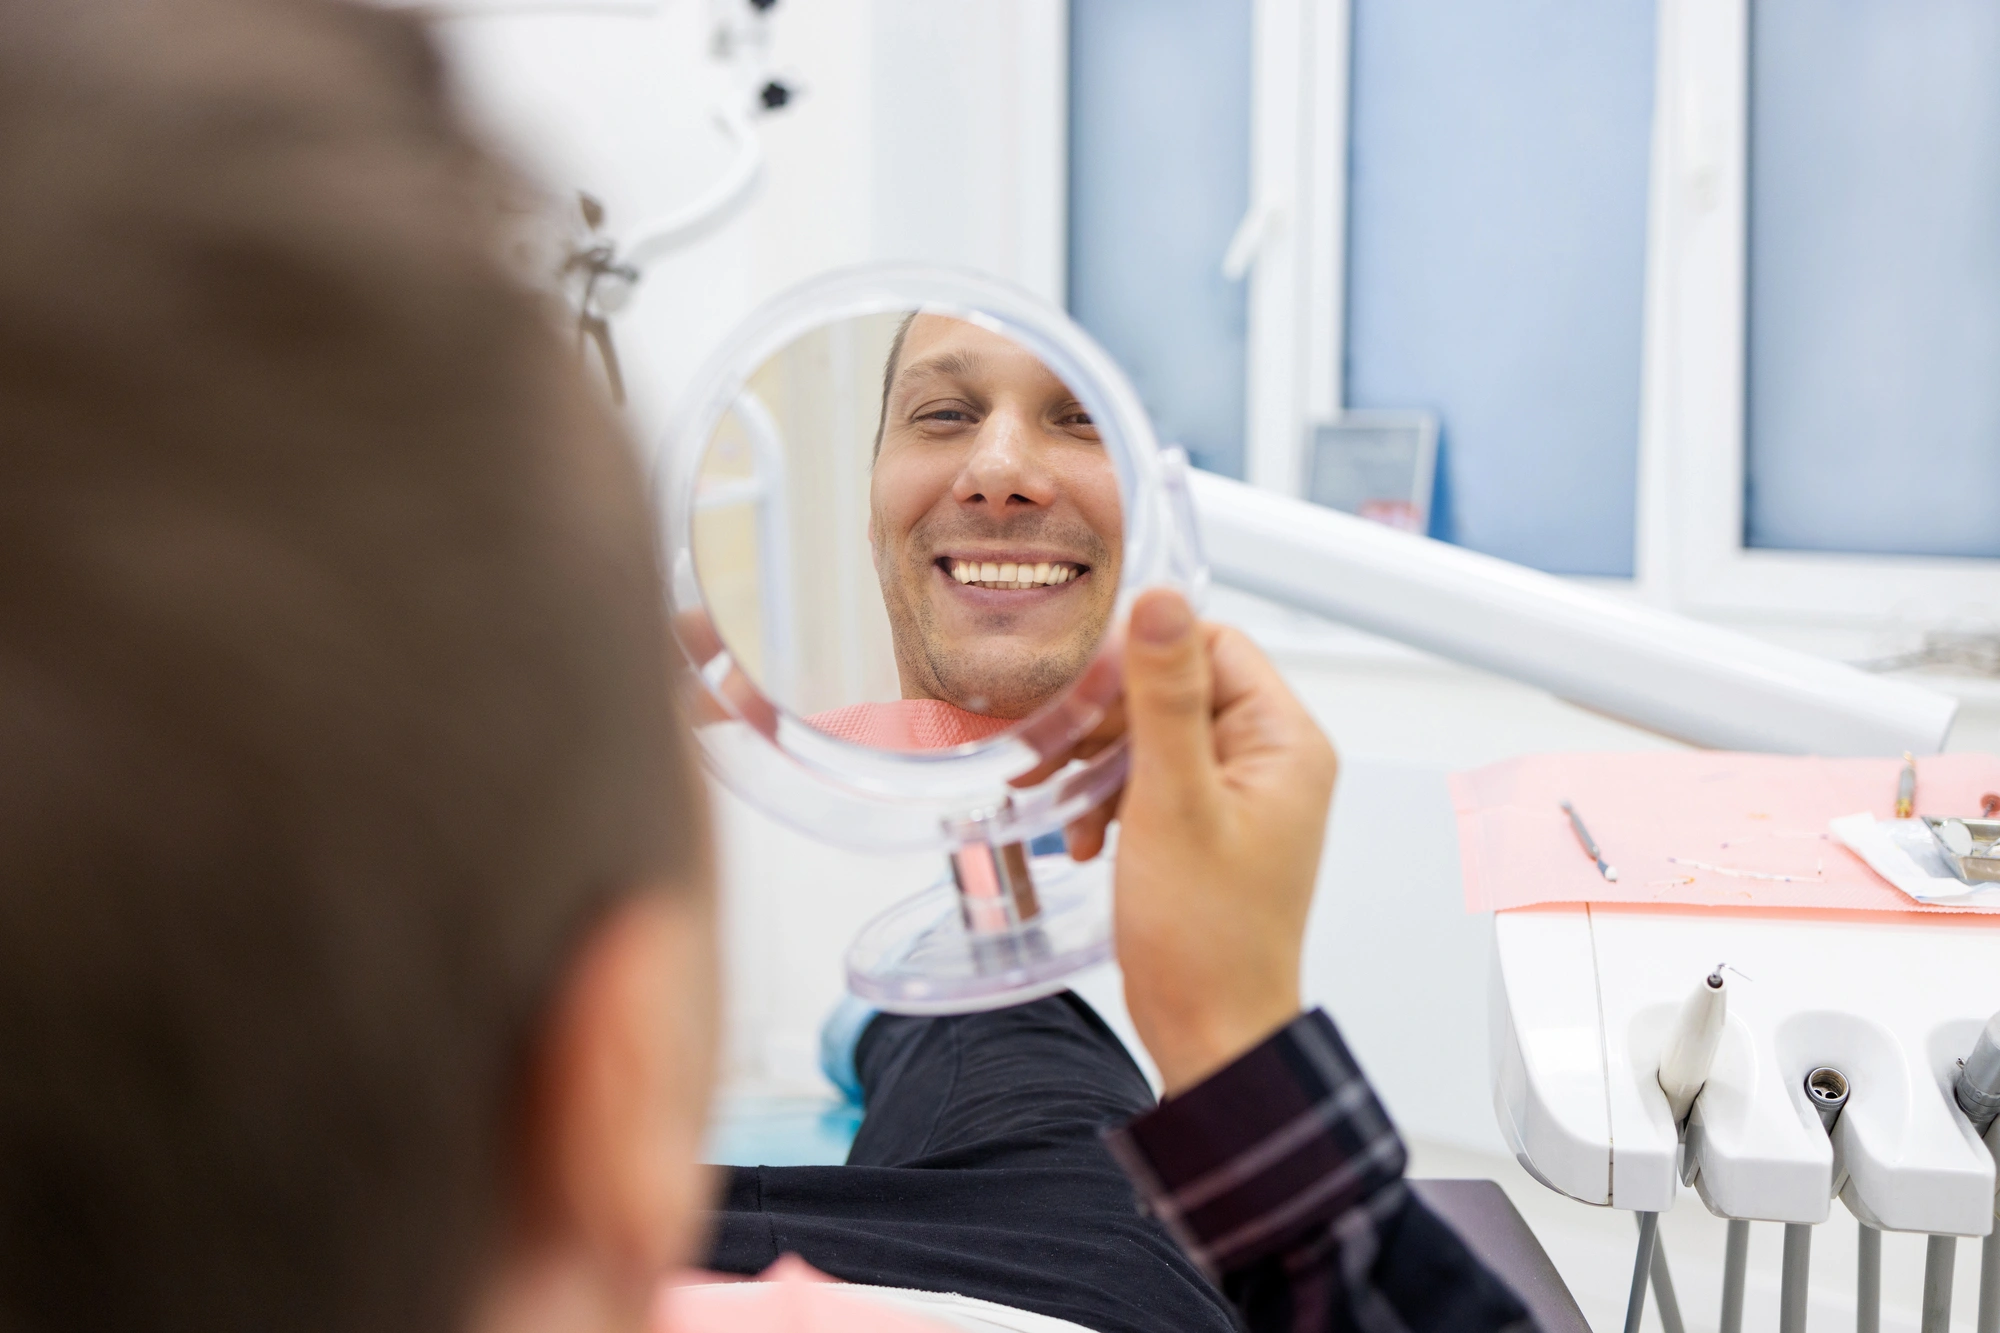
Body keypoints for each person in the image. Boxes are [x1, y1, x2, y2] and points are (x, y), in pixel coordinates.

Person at [0, 3, 1536, 1333]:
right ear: (609, 1086)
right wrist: (1238, 1052)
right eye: (941, 417)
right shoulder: (1090, 1216)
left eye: (1070, 417)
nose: (1002, 467)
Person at [807, 315, 1121, 751]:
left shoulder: (1240, 798)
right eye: (945, 414)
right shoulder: (740, 800)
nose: (997, 469)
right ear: (875, 521)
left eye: (1085, 417)